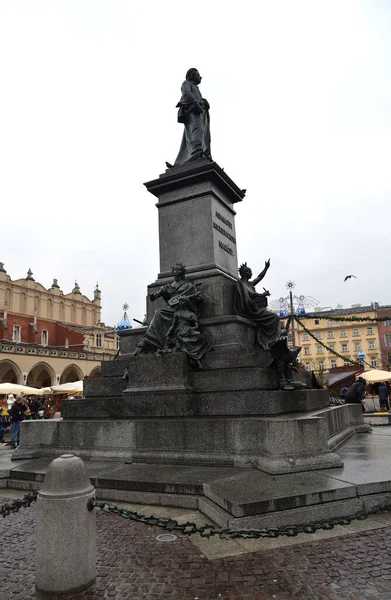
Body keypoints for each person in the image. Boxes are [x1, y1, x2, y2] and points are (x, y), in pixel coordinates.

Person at [134, 263, 212, 368]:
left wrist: (189, 299)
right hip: (171, 310)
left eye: (178, 270)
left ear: (182, 272)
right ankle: (147, 341)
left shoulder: (188, 286)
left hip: (184, 311)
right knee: (158, 312)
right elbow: (154, 297)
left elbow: (199, 300)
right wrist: (154, 295)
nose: (176, 272)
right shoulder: (167, 286)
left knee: (179, 323)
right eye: (175, 270)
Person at [234, 259, 281, 350]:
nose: (251, 273)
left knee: (273, 317)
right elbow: (251, 294)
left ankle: (270, 339)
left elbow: (260, 277)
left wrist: (266, 268)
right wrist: (262, 294)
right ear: (244, 273)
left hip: (255, 308)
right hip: (250, 310)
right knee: (274, 317)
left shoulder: (250, 284)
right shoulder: (242, 284)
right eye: (249, 272)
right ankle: (268, 340)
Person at [174, 68, 211, 165]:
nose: (200, 77)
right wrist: (196, 104)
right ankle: (197, 154)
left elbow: (194, 96)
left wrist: (203, 102)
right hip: (193, 111)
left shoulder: (194, 86)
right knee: (197, 131)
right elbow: (187, 94)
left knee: (198, 132)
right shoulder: (186, 83)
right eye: (198, 74)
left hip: (197, 111)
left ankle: (196, 153)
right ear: (192, 75)